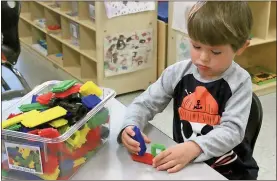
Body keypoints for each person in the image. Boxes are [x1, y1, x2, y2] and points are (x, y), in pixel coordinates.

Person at [117, 1, 259, 180]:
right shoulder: (177, 73)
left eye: (215, 52)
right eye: (197, 46)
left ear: (241, 47)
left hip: (230, 170)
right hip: (185, 164)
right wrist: (130, 125)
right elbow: (145, 103)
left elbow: (232, 131)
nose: (203, 58)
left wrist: (194, 147)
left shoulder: (240, 82)